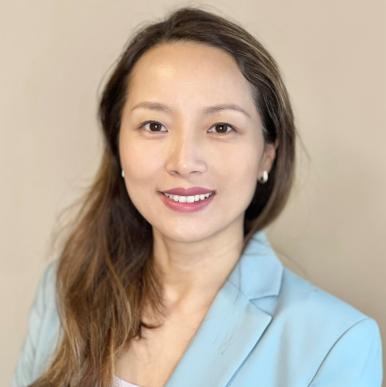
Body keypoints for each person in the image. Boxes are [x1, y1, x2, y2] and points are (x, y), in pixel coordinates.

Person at [12, 6, 382, 387]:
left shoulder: (336, 343)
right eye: (154, 125)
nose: (184, 161)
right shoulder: (65, 291)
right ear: (118, 144)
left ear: (266, 154)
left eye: (221, 127)